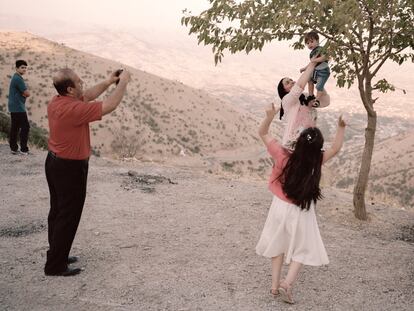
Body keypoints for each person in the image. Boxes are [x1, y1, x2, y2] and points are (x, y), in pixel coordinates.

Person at [256, 102, 346, 304]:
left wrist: (270, 116)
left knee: (277, 243)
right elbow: (337, 148)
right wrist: (341, 127)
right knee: (303, 247)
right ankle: (287, 283)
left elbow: (262, 132)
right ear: (317, 148)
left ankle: (273, 287)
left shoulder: (282, 155)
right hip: (302, 209)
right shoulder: (317, 160)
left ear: (299, 141)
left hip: (279, 206)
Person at [44, 68, 131, 276]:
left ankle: (57, 254)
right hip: (69, 169)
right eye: (78, 81)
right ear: (69, 89)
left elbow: (88, 95)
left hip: (55, 163)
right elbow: (110, 105)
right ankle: (55, 266)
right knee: (68, 215)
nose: (82, 81)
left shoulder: (58, 101)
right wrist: (123, 83)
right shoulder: (72, 110)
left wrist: (108, 81)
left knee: (57, 212)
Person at [277, 60, 330, 150]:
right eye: (287, 82)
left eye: (291, 80)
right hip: (292, 146)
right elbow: (300, 86)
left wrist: (318, 82)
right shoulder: (286, 101)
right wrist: (313, 63)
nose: (292, 81)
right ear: (284, 90)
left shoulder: (305, 97)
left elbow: (326, 101)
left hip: (308, 146)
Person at [299, 31, 330, 107]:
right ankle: (311, 95)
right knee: (310, 80)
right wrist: (305, 68)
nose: (310, 44)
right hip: (316, 71)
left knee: (319, 86)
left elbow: (324, 57)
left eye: (312, 42)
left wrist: (315, 60)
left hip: (323, 71)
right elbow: (312, 63)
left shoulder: (321, 49)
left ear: (318, 41)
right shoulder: (312, 52)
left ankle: (317, 100)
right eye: (308, 43)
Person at [8, 60, 31, 155]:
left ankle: (13, 148)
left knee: (15, 127)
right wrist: (25, 92)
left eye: (25, 67)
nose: (24, 69)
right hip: (18, 106)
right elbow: (27, 93)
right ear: (17, 68)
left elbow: (24, 92)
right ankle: (23, 149)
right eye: (22, 67)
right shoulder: (18, 79)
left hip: (14, 106)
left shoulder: (16, 77)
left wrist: (24, 92)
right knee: (25, 127)